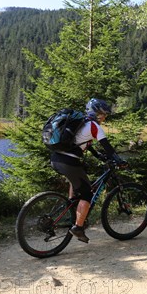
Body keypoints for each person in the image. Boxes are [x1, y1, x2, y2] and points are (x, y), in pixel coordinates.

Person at [50, 98, 126, 243]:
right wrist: (118, 160)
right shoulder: (94, 126)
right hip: (69, 162)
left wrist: (98, 156)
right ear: (96, 113)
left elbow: (85, 143)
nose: (104, 117)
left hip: (56, 158)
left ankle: (72, 207)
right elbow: (107, 146)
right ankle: (78, 227)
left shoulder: (81, 122)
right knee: (87, 194)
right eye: (103, 114)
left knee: (78, 178)